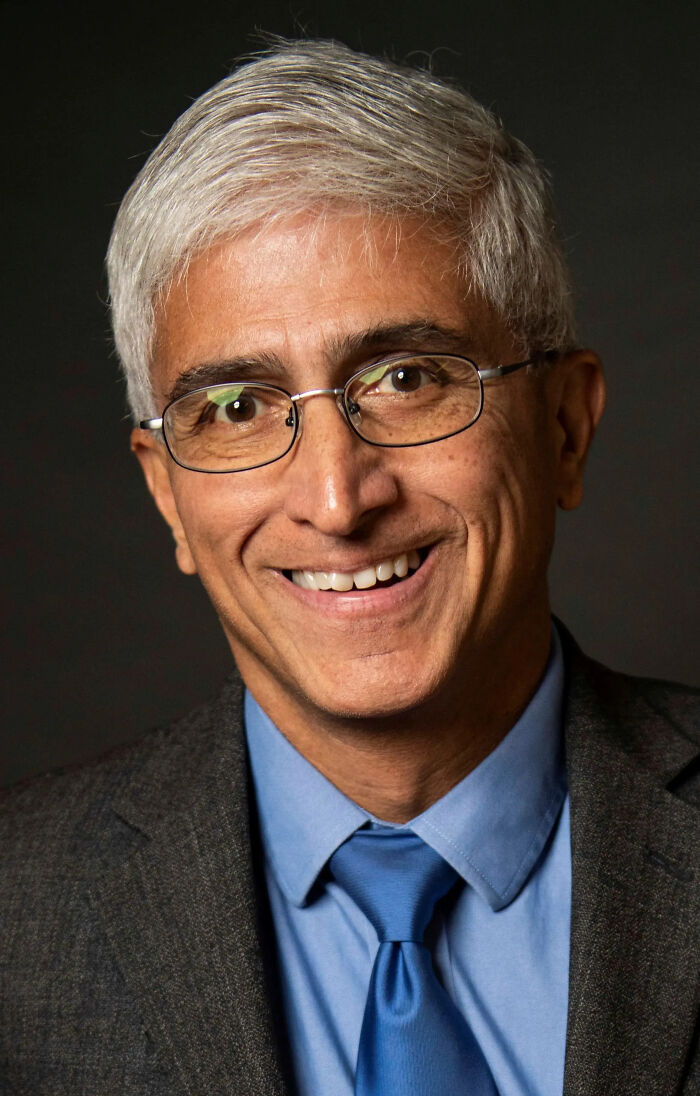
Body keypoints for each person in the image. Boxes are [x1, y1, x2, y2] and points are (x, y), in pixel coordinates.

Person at [1, 38, 698, 1096]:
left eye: (407, 377)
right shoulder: (18, 911)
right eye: (235, 408)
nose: (336, 500)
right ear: (166, 494)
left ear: (563, 426)